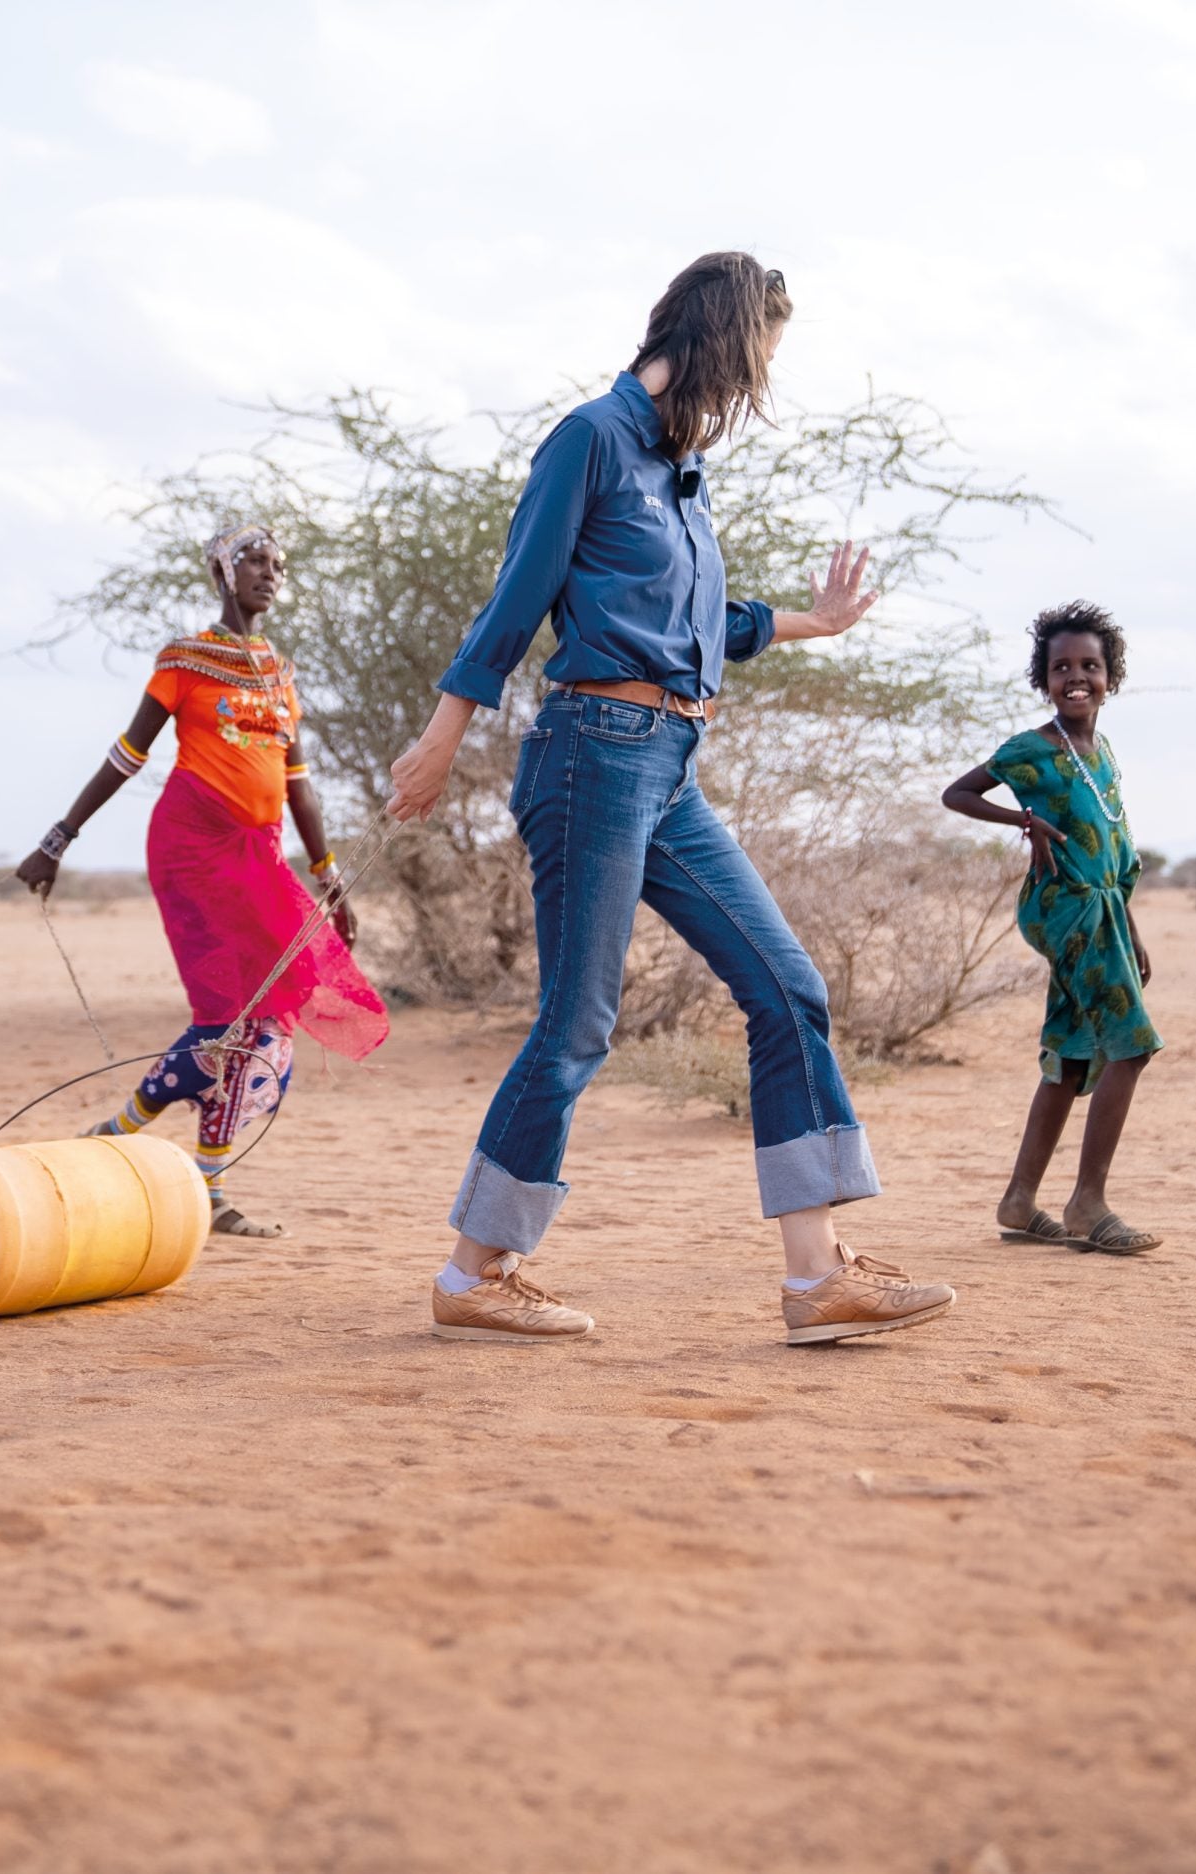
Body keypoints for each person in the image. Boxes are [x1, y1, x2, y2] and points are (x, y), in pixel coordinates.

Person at [384, 252, 958, 1346]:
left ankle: (814, 1279)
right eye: (763, 360)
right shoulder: (590, 440)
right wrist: (442, 732)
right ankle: (471, 1276)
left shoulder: (679, 474)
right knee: (576, 1027)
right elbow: (519, 597)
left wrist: (814, 624)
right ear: (724, 343)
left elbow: (701, 621)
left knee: (788, 988)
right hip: (590, 752)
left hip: (670, 767)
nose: (758, 388)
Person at [16, 524, 388, 1237]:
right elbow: (128, 756)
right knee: (223, 1017)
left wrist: (328, 875)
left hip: (262, 857)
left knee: (268, 1025)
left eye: (278, 564)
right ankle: (158, 1155)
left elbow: (298, 784)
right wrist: (57, 840)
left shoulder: (279, 673)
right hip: (191, 849)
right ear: (222, 569)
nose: (270, 572)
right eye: (254, 559)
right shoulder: (185, 659)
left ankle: (167, 1158)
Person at [940, 600, 1163, 1255]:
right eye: (1060, 666)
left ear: (1109, 677)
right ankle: (1088, 1204)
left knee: (1070, 1055)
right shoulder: (1031, 750)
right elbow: (958, 793)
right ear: (1043, 679)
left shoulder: (1105, 751)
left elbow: (1115, 849)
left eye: (1089, 666)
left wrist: (1131, 926)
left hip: (1103, 910)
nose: (1076, 676)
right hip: (1065, 909)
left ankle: (1019, 1199)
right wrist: (1023, 822)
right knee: (1132, 1045)